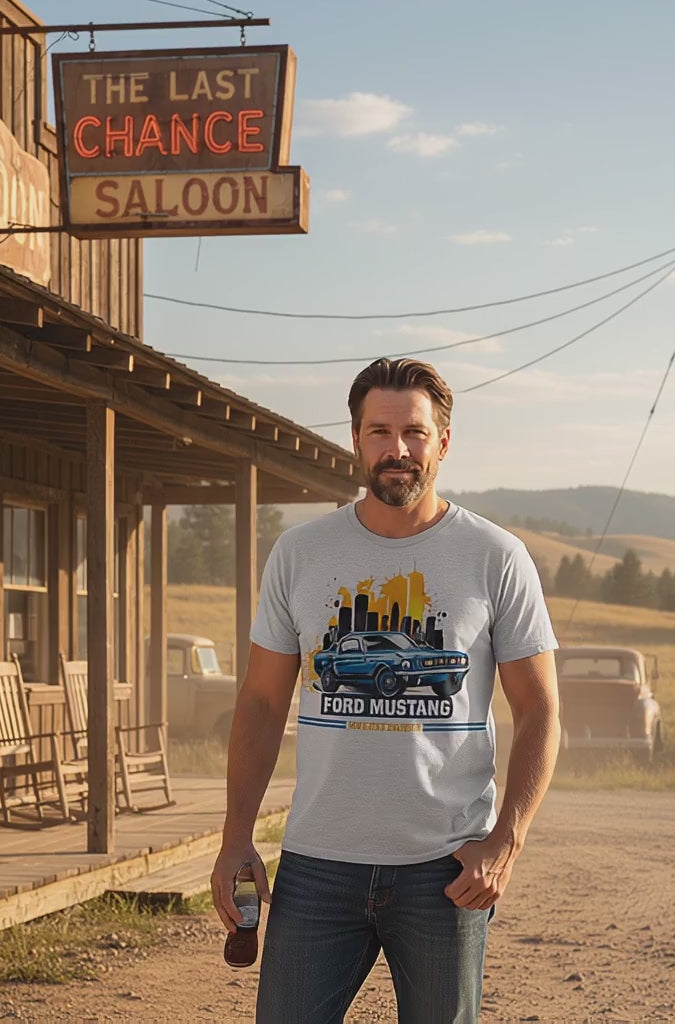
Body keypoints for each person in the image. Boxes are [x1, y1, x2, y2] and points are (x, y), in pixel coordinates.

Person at [210, 356, 561, 1023]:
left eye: (415, 433)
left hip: (446, 869)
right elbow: (260, 703)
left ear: (444, 442)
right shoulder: (300, 554)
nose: (397, 449)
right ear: (356, 439)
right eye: (379, 432)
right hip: (317, 863)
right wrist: (236, 837)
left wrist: (505, 842)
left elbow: (540, 709)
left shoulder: (496, 557)